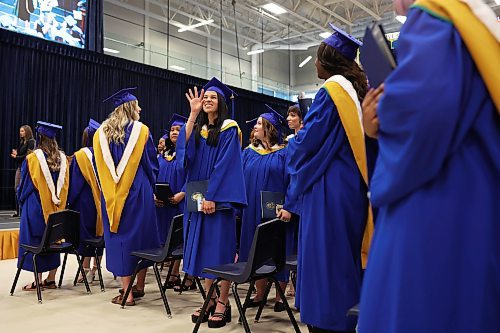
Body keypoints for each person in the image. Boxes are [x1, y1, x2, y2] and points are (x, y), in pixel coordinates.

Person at [358, 1, 500, 332]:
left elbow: (422, 116)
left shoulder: (434, 18)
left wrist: (380, 117)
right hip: (475, 207)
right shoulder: (474, 29)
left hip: (436, 207)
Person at [287, 24, 374, 333]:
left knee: (327, 258)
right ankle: (347, 318)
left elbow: (308, 141)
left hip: (329, 188)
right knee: (345, 258)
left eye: (317, 57)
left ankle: (329, 321)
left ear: (329, 60)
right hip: (351, 186)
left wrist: (291, 143)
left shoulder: (332, 91)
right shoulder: (356, 90)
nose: (314, 64)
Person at [177, 77, 247, 328]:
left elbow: (226, 165)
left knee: (220, 251)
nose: (207, 100)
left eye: (212, 97)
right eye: (205, 97)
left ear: (221, 103)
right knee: (204, 252)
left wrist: (213, 196)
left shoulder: (229, 129)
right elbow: (183, 152)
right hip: (198, 200)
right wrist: (193, 115)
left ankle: (223, 302)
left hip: (217, 201)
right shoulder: (198, 129)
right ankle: (209, 298)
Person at [94, 88, 160, 306]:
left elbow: (99, 167)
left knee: (120, 239)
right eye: (137, 105)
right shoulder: (142, 131)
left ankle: (127, 292)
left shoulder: (99, 134)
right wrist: (150, 187)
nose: (140, 109)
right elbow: (151, 165)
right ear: (130, 108)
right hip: (138, 190)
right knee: (140, 237)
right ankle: (138, 286)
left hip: (112, 194)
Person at [239, 105, 296, 313]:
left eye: (260, 123)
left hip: (276, 211)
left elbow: (293, 181)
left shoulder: (285, 152)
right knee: (256, 248)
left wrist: (289, 207)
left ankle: (280, 293)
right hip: (252, 209)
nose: (255, 126)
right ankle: (260, 293)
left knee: (277, 248)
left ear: (270, 128)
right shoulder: (248, 153)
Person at [17, 121, 68, 291]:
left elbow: (24, 186)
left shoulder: (32, 159)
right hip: (57, 208)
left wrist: (20, 198)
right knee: (54, 238)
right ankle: (51, 279)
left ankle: (38, 281)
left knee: (34, 240)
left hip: (35, 207)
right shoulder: (63, 159)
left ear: (39, 138)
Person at [67, 119, 103, 283]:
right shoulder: (105, 155)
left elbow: (75, 184)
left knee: (85, 235)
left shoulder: (80, 156)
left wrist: (69, 202)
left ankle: (85, 268)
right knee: (99, 233)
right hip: (103, 201)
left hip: (86, 202)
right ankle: (97, 268)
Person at [154, 114, 187, 289]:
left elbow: (194, 176)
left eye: (178, 130)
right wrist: (154, 194)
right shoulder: (162, 155)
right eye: (172, 130)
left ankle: (174, 273)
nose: (174, 132)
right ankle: (171, 273)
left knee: (178, 237)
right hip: (162, 204)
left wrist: (183, 193)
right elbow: (153, 176)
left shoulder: (188, 154)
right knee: (165, 235)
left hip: (180, 202)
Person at [11, 125, 36, 217]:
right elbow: (21, 154)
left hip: (26, 168)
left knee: (22, 188)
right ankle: (18, 210)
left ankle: (23, 210)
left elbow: (28, 155)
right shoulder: (22, 142)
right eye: (20, 131)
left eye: (22, 131)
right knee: (16, 187)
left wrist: (17, 156)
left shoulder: (31, 142)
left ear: (27, 132)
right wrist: (16, 154)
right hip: (20, 167)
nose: (20, 133)